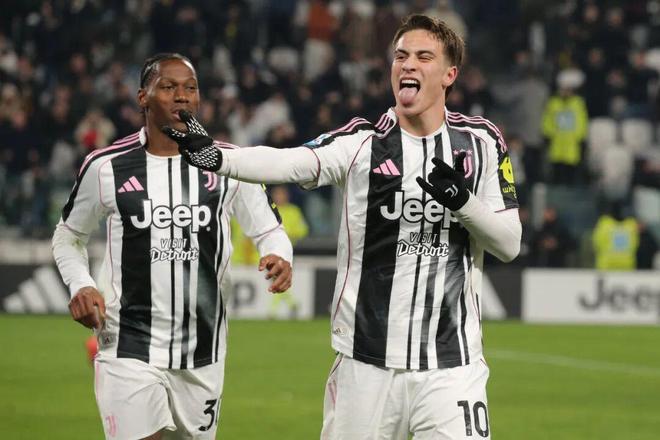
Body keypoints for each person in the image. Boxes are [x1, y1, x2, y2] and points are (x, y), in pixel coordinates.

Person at [167, 15, 521, 439]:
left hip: (453, 367)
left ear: (450, 74)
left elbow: (509, 244)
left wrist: (462, 202)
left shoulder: (482, 142)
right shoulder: (362, 143)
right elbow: (290, 161)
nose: (408, 64)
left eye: (423, 57)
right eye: (401, 56)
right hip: (365, 366)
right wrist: (219, 157)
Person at [52, 53, 293, 440]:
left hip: (202, 351)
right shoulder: (106, 166)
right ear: (142, 97)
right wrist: (81, 284)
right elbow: (68, 236)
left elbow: (270, 230)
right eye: (168, 87)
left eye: (190, 88)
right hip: (127, 343)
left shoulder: (229, 164)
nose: (182, 96)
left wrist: (281, 254)